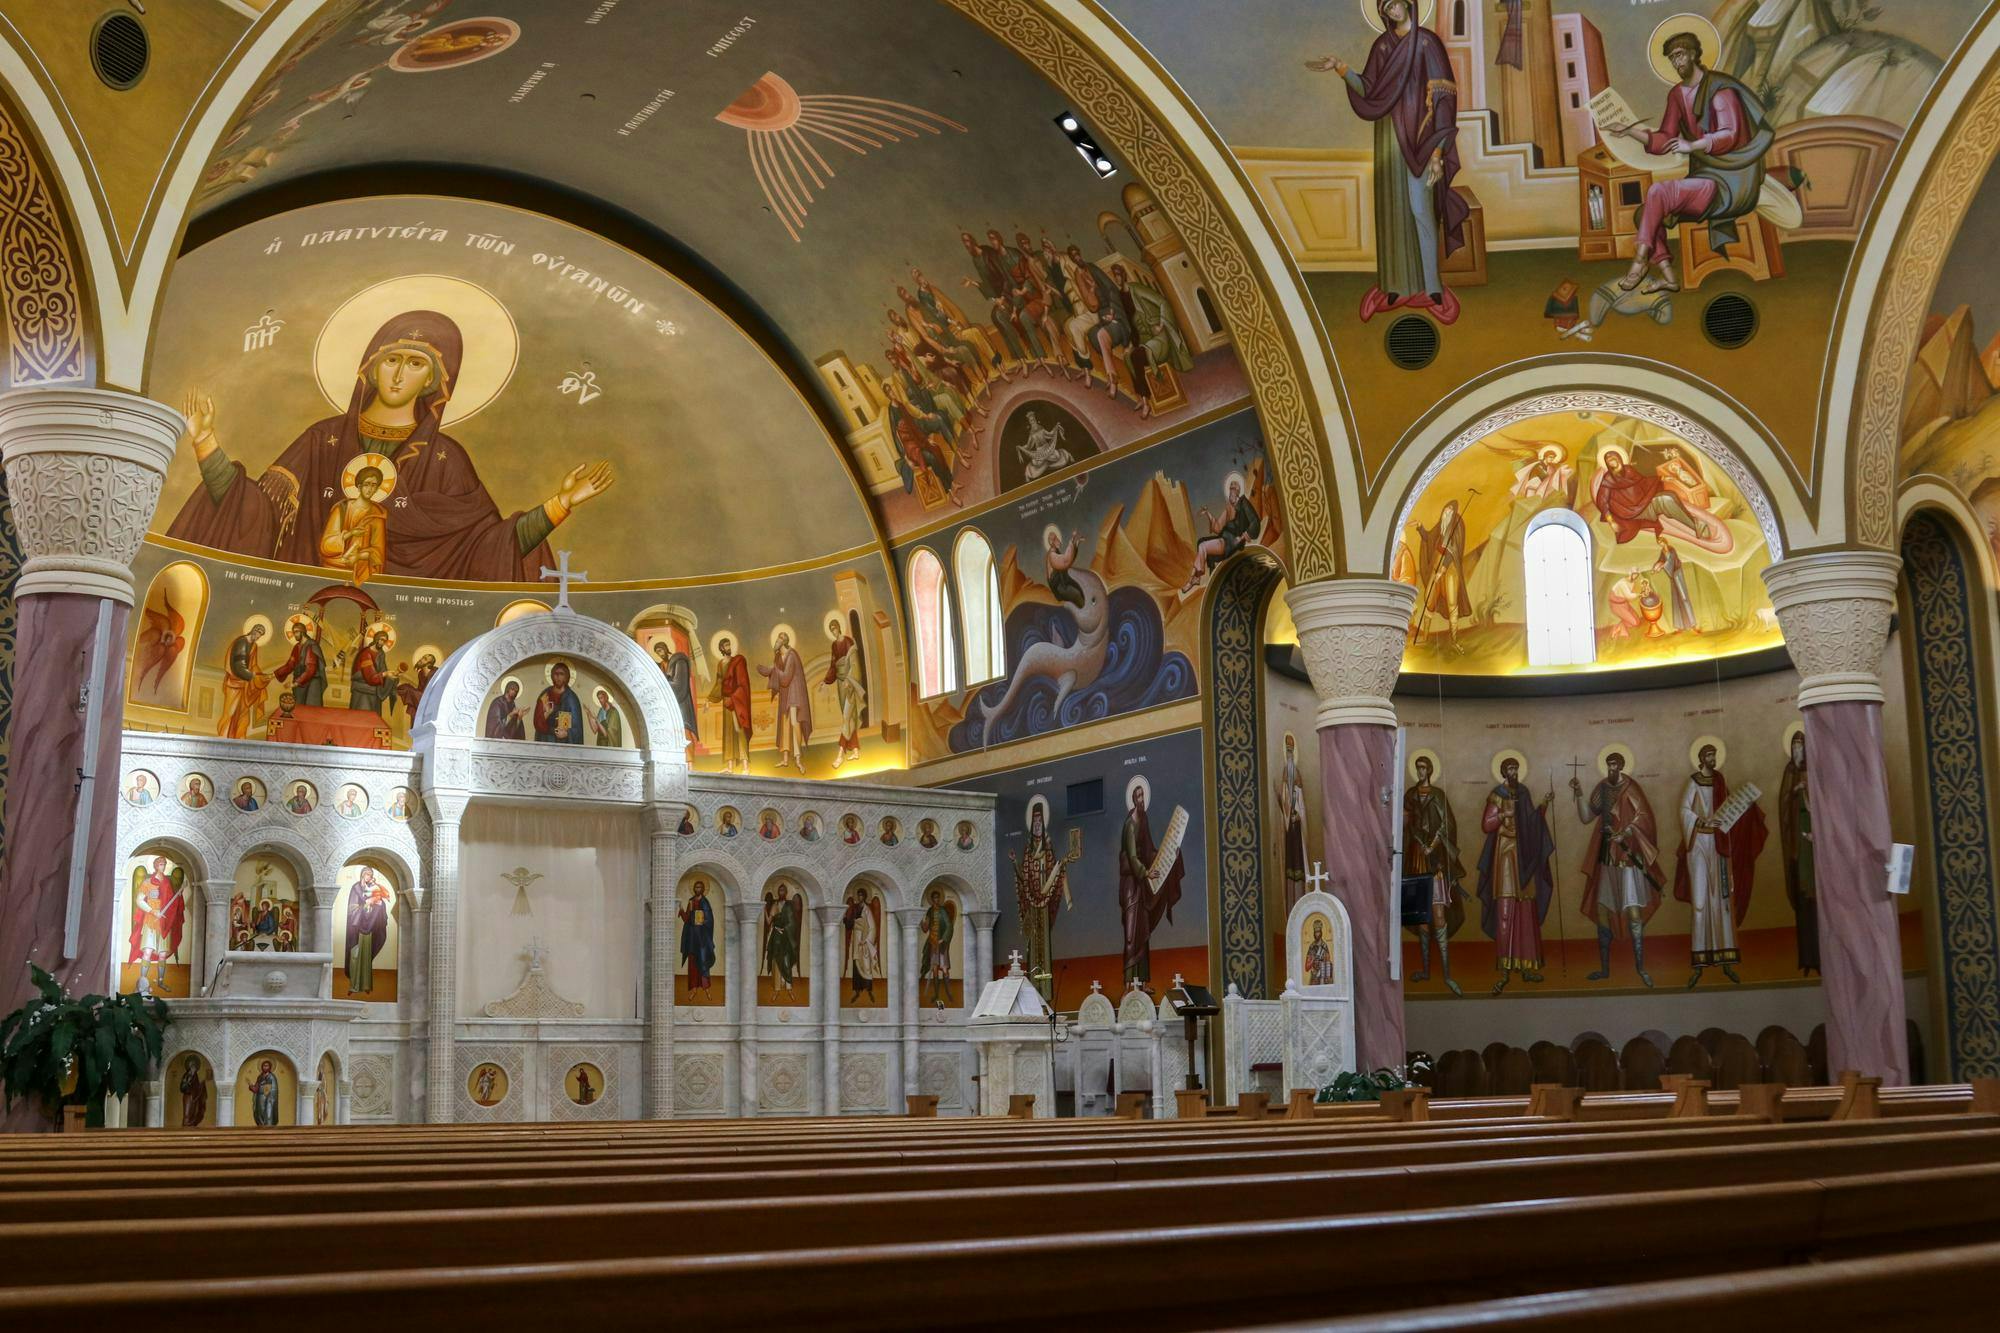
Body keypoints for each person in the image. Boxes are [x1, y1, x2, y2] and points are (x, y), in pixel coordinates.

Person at [167, 310, 613, 582]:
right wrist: (206, 441)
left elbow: (488, 546)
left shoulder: (447, 458)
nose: (399, 375)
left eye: (415, 364)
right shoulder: (322, 439)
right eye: (391, 360)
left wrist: (560, 504)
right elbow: (256, 512)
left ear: (435, 381)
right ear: (371, 368)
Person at [1307, 0, 1466, 323]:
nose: (1393, 10)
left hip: (1421, 139)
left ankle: (1432, 286)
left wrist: (1438, 152)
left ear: (1409, 3)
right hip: (1388, 137)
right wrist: (1341, 68)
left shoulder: (1428, 43)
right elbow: (1369, 90)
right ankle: (1395, 285)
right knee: (1393, 211)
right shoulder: (1382, 46)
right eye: (1387, 6)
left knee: (1420, 209)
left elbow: (1444, 99)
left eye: (1396, 3)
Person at [1605, 28, 1777, 295]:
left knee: (1658, 192)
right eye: (1672, 58)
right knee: (1645, 213)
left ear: (1694, 54)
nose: (1677, 62)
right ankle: (1668, 277)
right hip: (1704, 177)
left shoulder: (1720, 90)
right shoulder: (1677, 95)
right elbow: (1665, 139)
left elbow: (1729, 135)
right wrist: (1630, 131)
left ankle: (1639, 263)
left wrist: (1692, 145)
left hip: (1731, 180)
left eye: (1680, 55)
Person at [1675, 743, 1768, 988]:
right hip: (1699, 847)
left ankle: (1726, 960)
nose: (1712, 758)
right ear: (1701, 758)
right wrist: (1702, 823)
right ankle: (1698, 963)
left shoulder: (1720, 781)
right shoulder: (1694, 782)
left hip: (1719, 847)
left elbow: (1728, 813)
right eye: (1709, 755)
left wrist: (1745, 808)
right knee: (1700, 902)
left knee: (1722, 902)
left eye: (1714, 754)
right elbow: (1684, 811)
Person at [1572, 751, 1664, 987]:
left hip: (1627, 857)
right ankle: (1604, 969)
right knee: (1602, 909)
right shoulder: (1602, 788)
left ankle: (1641, 968)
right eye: (1609, 765)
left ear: (1621, 766)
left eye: (1615, 765)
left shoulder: (1631, 788)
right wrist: (1579, 792)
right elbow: (1586, 817)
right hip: (1606, 856)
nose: (1611, 768)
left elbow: (1644, 817)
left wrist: (1626, 832)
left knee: (1633, 912)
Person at [1476, 757, 1556, 994]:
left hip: (1524, 858)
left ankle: (1526, 966)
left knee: (1525, 911)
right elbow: (1486, 825)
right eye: (1510, 768)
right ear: (1503, 771)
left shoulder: (1523, 792)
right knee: (1505, 911)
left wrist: (1543, 805)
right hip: (1505, 856)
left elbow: (1531, 823)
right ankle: (1504, 971)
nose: (1514, 772)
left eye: (1516, 768)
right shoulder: (1497, 794)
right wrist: (1502, 814)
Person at [1404, 755, 1468, 996]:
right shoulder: (1410, 795)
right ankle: (1425, 971)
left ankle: (1448, 975)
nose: (1420, 771)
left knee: (1439, 915)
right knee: (1422, 918)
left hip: (1434, 861)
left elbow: (1447, 824)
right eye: (1417, 768)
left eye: (1423, 768)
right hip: (1416, 861)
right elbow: (1404, 822)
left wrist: (1432, 844)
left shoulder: (1438, 795)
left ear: (1430, 770)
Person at [1118, 780, 1183, 986]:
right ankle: (1129, 984)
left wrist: (1169, 856)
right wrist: (1146, 873)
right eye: (1138, 796)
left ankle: (1143, 983)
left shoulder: (1144, 820)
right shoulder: (1129, 824)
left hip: (1142, 883)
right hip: (1131, 884)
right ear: (1133, 800)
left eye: (1143, 796)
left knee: (1142, 931)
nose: (1141, 800)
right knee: (1131, 934)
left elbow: (1148, 851)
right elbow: (1132, 856)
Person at [1010, 800, 1072, 1001]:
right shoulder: (1028, 849)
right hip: (1032, 905)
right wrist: (1015, 863)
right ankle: (1033, 993)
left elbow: (1054, 871)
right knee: (1033, 946)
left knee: (1044, 947)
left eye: (1040, 821)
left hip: (1044, 906)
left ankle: (1045, 992)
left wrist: (1062, 864)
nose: (1037, 824)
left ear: (1044, 823)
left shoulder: (1048, 847)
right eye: (1035, 821)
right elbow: (1024, 877)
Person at [1778, 730, 1819, 976]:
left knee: (1817, 901)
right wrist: (1794, 792)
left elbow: (1823, 802)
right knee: (1803, 902)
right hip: (1797, 843)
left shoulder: (1813, 770)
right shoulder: (1790, 771)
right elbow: (1783, 804)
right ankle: (1806, 959)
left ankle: (1821, 957)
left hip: (1814, 842)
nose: (1797, 749)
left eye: (1800, 745)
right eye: (1794, 745)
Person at [1409, 501, 1472, 650]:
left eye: (1450, 509)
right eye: (1445, 509)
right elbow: (1429, 538)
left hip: (1450, 568)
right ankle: (1425, 638)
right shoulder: (1440, 527)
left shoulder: (1457, 525)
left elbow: (1454, 551)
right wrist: (1420, 527)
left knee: (1452, 603)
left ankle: (1454, 641)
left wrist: (1442, 570)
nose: (1446, 512)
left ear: (1454, 512)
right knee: (1429, 600)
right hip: (1437, 563)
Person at [1183, 476, 1260, 593]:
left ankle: (1194, 578)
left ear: (1238, 491)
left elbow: (1255, 522)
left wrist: (1243, 537)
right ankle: (1197, 577)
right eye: (1230, 489)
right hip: (1224, 538)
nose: (1231, 491)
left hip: (1230, 542)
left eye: (1234, 488)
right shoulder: (1229, 508)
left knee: (1203, 546)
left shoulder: (1244, 503)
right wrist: (1208, 514)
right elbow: (1218, 528)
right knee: (1201, 541)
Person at [318, 461, 390, 584]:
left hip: (360, 568)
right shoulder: (341, 509)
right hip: (334, 566)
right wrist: (350, 534)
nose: (370, 489)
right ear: (359, 486)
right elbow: (326, 546)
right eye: (366, 484)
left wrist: (358, 557)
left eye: (374, 485)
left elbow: (378, 554)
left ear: (377, 488)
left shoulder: (377, 515)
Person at [127, 857, 186, 996]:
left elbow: (172, 903)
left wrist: (179, 894)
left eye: (164, 864)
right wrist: (152, 911)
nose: (163, 866)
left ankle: (160, 981)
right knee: (147, 952)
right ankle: (142, 981)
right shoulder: (147, 882)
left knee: (162, 954)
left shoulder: (168, 883)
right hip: (151, 922)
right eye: (160, 864)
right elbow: (139, 900)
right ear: (155, 866)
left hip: (164, 922)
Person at [757, 631, 813, 774]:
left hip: (794, 692)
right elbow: (774, 672)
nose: (776, 642)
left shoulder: (792, 655)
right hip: (785, 693)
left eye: (778, 640)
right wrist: (765, 670)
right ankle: (785, 758)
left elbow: (786, 677)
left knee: (794, 722)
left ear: (783, 642)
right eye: (776, 639)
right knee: (784, 723)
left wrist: (773, 671)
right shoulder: (778, 656)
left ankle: (798, 758)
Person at [823, 617, 864, 770]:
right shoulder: (834, 645)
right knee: (848, 717)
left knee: (847, 717)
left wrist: (849, 680)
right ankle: (855, 750)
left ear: (839, 627)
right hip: (840, 684)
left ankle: (840, 754)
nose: (833, 631)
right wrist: (825, 681)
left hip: (850, 683)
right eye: (831, 630)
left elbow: (854, 664)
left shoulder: (848, 641)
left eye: (834, 628)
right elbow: (833, 665)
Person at [344, 866, 391, 995]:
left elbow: (380, 904)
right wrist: (366, 904)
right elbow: (352, 909)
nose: (368, 877)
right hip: (356, 929)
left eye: (370, 874)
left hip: (369, 928)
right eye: (366, 874)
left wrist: (379, 904)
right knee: (355, 956)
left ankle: (366, 985)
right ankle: (353, 986)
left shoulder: (374, 888)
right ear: (362, 875)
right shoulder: (356, 888)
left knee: (366, 956)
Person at [1275, 734, 1309, 911]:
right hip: (1289, 831)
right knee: (1289, 866)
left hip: (1297, 830)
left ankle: (1301, 903)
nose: (1289, 755)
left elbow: (1300, 803)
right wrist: (1285, 810)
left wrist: (1296, 815)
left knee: (1299, 866)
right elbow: (1285, 802)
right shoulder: (1284, 775)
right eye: (1287, 751)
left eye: (1291, 751)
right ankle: (1291, 908)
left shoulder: (1297, 776)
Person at [708, 636, 752, 773]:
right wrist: (709, 699)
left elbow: (743, 683)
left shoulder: (738, 661)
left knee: (740, 731)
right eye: (726, 646)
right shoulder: (721, 664)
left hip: (737, 701)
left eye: (729, 645)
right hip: (726, 704)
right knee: (728, 733)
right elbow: (719, 684)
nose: (728, 648)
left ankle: (746, 766)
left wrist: (734, 698)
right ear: (721, 649)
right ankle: (730, 766)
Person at [218, 623, 269, 738]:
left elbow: (253, 665)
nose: (258, 636)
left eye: (261, 635)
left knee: (243, 717)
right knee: (230, 714)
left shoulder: (254, 646)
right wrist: (253, 677)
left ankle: (240, 739)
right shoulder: (241, 642)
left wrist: (261, 676)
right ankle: (223, 738)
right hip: (234, 685)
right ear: (253, 630)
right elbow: (238, 667)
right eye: (258, 633)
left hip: (245, 686)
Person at [651, 639, 697, 745]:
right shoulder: (661, 666)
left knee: (685, 732)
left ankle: (689, 756)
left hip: (681, 704)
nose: (660, 654)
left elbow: (680, 685)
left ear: (666, 649)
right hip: (668, 705)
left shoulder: (679, 661)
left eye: (661, 650)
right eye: (657, 652)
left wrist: (663, 683)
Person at [762, 883, 804, 1000]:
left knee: (786, 961)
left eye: (783, 890)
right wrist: (764, 908)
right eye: (780, 890)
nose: (781, 892)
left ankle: (789, 988)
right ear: (778, 892)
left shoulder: (789, 906)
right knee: (776, 961)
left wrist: (785, 929)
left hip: (787, 937)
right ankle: (777, 989)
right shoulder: (775, 905)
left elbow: (793, 923)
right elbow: (769, 921)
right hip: (776, 937)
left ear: (786, 892)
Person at [274, 619, 327, 707]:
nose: (294, 635)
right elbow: (290, 665)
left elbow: (310, 670)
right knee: (298, 708)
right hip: (300, 683)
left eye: (296, 632)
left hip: (312, 684)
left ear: (302, 632)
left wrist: (295, 683)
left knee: (310, 709)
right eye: (293, 632)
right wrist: (274, 674)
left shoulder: (311, 645)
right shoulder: (297, 647)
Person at [679, 879, 718, 998]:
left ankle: (706, 989)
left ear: (703, 889)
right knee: (692, 963)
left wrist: (702, 921)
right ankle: (694, 989)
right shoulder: (691, 901)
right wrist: (682, 911)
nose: (697, 889)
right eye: (696, 887)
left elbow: (710, 920)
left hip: (702, 938)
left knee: (703, 961)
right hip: (692, 937)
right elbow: (687, 919)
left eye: (700, 887)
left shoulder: (705, 903)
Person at [841, 888, 881, 1002]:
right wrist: (845, 920)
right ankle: (857, 991)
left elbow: (872, 927)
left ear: (865, 896)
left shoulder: (867, 910)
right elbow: (852, 923)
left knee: (866, 965)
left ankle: (869, 990)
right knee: (856, 963)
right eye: (858, 895)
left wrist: (866, 940)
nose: (860, 897)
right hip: (856, 939)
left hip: (864, 941)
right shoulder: (855, 909)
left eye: (861, 895)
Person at [348, 627, 398, 718]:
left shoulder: (381, 654)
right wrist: (385, 674)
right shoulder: (366, 654)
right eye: (381, 639)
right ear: (376, 638)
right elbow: (371, 677)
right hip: (362, 690)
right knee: (361, 718)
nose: (382, 643)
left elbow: (383, 670)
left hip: (373, 689)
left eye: (384, 641)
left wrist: (391, 676)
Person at [919, 889, 956, 1009]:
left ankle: (949, 993)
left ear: (939, 899)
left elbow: (949, 926)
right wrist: (922, 922)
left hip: (941, 945)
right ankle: (936, 994)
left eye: (937, 898)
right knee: (934, 969)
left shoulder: (942, 911)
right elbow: (925, 929)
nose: (936, 900)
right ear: (931, 899)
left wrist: (943, 939)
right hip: (932, 943)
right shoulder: (930, 911)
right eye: (934, 898)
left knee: (944, 969)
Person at [533, 661, 584, 745]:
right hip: (545, 740)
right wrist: (546, 715)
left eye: (561, 674)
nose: (558, 677)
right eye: (556, 674)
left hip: (564, 744)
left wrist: (567, 733)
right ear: (552, 676)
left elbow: (577, 728)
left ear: (566, 677)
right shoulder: (545, 695)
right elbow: (537, 722)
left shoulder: (571, 698)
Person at [246, 1059, 280, 1127]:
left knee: (268, 1113)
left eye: (267, 1066)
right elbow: (256, 1088)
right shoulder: (260, 1077)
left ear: (270, 1067)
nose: (265, 1067)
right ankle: (261, 1126)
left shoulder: (272, 1077)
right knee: (260, 1112)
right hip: (260, 1098)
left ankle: (268, 1128)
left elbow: (273, 1089)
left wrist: (262, 1089)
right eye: (264, 1066)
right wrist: (251, 1086)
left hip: (269, 1099)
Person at [1304, 919, 1336, 986]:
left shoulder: (1324, 946)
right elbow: (1306, 968)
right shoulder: (1311, 947)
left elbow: (1328, 963)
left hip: (1323, 977)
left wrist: (1324, 961)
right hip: (1314, 978)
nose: (1317, 934)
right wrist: (1312, 960)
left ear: (1321, 932)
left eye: (1318, 932)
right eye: (1315, 932)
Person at [177, 1056, 207, 1127]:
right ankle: (186, 1126)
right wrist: (188, 1081)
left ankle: (191, 1125)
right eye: (192, 1067)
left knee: (194, 1112)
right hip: (188, 1097)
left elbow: (196, 1086)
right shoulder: (187, 1075)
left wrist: (201, 1086)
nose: (194, 1069)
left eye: (195, 1067)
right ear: (190, 1067)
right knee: (187, 1113)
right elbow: (183, 1087)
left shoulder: (195, 1076)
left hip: (194, 1097)